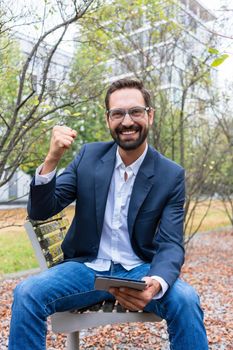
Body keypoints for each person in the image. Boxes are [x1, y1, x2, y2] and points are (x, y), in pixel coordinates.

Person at [9, 78, 208, 349]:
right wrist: (52, 158)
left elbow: (171, 243)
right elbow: (41, 210)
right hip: (88, 269)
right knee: (26, 292)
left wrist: (157, 282)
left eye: (135, 111)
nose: (127, 121)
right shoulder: (88, 158)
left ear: (150, 115)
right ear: (108, 120)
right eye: (118, 113)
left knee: (185, 300)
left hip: (142, 271)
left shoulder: (170, 174)